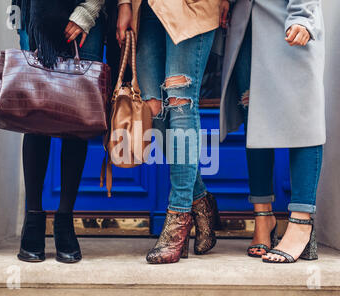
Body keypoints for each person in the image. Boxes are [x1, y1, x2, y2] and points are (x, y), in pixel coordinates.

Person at [117, 0, 230, 264]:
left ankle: (178, 217)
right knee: (153, 111)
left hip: (191, 8)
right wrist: (124, 4)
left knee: (180, 104)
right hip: (144, 10)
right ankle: (201, 202)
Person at [220, 0, 325, 263]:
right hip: (246, 24)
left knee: (303, 119)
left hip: (289, 18)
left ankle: (301, 222)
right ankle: (263, 218)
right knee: (254, 120)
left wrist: (303, 16)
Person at [13, 0, 105, 263]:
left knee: (77, 118)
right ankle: (33, 220)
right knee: (36, 116)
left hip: (87, 16)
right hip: (35, 15)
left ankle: (64, 219)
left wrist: (87, 11)